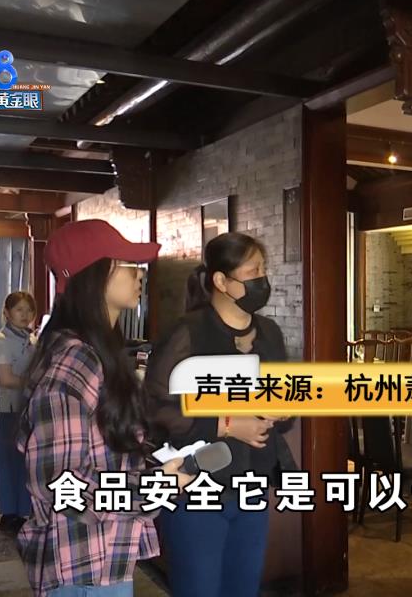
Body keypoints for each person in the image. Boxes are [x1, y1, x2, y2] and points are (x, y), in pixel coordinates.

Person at [15, 220, 194, 596]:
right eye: (127, 264)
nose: (139, 274)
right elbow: (59, 484)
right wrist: (152, 488)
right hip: (80, 565)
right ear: (92, 276)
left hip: (103, 556)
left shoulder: (97, 352)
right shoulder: (73, 362)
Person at [145, 232, 296, 597]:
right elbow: (155, 410)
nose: (262, 279)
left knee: (243, 588)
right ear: (221, 281)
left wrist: (283, 410)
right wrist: (226, 425)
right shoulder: (187, 334)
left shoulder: (270, 333)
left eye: (263, 269)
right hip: (196, 487)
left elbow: (285, 404)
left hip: (252, 487)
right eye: (253, 271)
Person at [0, 290, 37, 534]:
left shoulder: (33, 339)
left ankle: (25, 511)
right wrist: (36, 381)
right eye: (19, 310)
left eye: (29, 310)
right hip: (11, 410)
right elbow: (6, 379)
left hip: (31, 408)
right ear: (7, 313)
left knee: (27, 462)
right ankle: (10, 513)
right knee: (10, 462)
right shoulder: (0, 340)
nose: (25, 315)